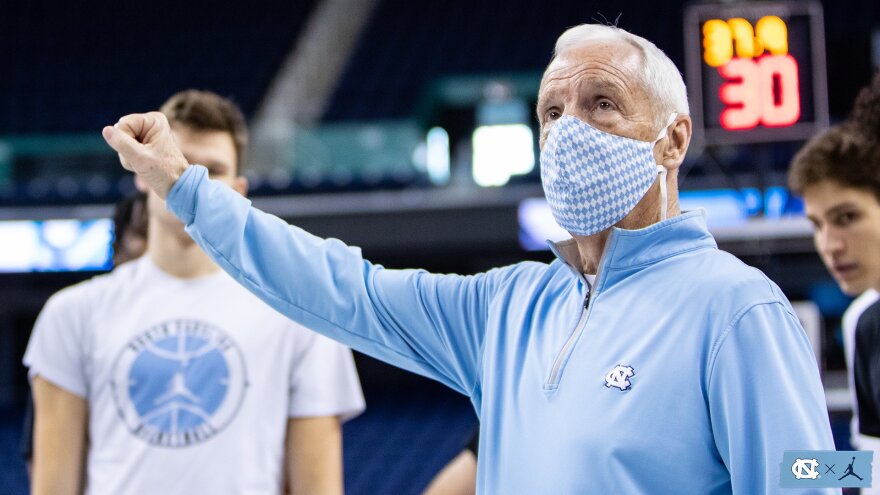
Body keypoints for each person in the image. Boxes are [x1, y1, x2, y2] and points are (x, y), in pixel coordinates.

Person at [103, 25, 835, 493]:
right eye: (552, 112)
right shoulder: (508, 308)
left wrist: (860, 461)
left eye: (602, 103)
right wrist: (184, 186)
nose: (569, 130)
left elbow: (810, 474)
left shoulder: (737, 308)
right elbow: (336, 286)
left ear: (673, 141)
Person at [26, 89, 365, 495]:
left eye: (211, 169)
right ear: (141, 172)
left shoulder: (301, 315)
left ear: (238, 190)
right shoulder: (71, 314)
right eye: (175, 160)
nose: (185, 177)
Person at [789, 71, 880, 493]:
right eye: (817, 225)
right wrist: (786, 466)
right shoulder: (865, 324)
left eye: (846, 218)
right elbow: (872, 468)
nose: (830, 244)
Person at [20, 190, 150, 478]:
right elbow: (46, 468)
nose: (156, 249)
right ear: (118, 248)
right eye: (143, 235)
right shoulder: (77, 319)